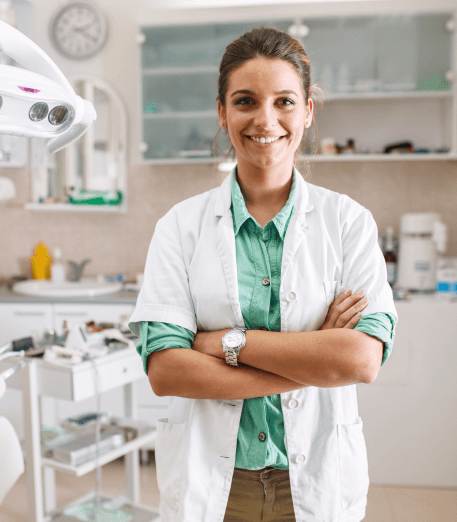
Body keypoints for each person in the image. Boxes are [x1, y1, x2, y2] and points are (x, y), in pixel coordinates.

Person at [128, 26, 397, 522]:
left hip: (314, 479)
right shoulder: (180, 227)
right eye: (246, 100)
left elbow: (360, 361)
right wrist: (314, 356)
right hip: (216, 483)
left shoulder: (348, 222)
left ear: (309, 111)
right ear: (222, 111)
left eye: (285, 102)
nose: (265, 119)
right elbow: (166, 372)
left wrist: (225, 342)